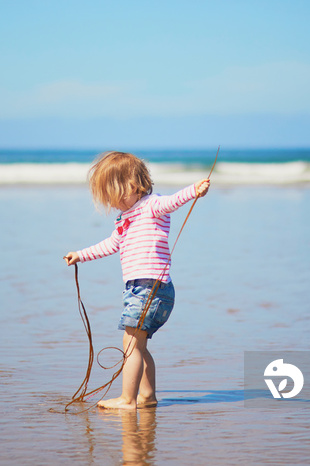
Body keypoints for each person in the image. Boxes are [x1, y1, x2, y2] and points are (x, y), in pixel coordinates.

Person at [64, 151, 210, 409]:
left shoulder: (152, 205)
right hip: (140, 290)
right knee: (137, 344)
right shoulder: (125, 220)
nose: (114, 202)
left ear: (135, 185)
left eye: (117, 194)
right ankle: (147, 396)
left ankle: (127, 399)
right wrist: (80, 255)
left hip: (150, 287)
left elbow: (173, 201)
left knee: (131, 343)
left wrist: (194, 190)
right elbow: (110, 244)